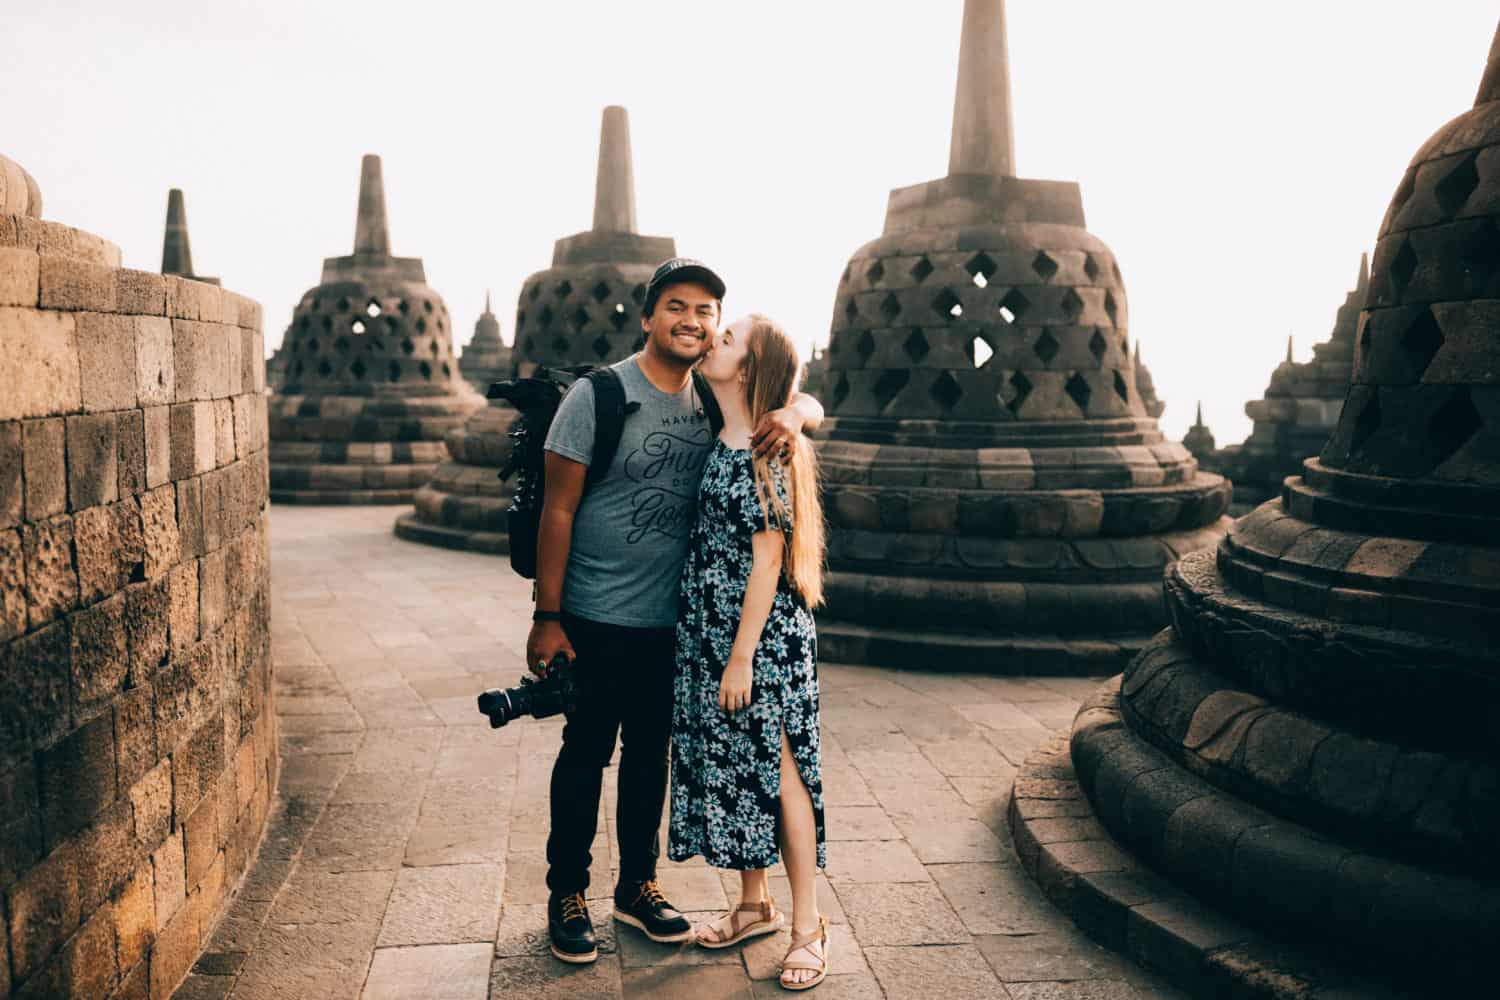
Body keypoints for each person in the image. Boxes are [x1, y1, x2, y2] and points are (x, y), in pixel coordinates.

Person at [527, 259, 825, 965]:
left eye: (706, 312)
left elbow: (786, 394)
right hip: (596, 612)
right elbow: (558, 507)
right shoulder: (600, 395)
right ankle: (567, 892)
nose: (693, 322)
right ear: (648, 316)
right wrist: (548, 613)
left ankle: (638, 886)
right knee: (586, 751)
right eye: (676, 307)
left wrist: (796, 410)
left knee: (650, 758)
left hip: (676, 625)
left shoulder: (715, 405)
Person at [669, 314, 829, 991]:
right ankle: (753, 903)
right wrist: (801, 408)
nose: (714, 340)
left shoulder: (769, 444)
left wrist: (739, 657)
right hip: (714, 628)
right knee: (736, 764)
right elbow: (811, 400)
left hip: (759, 637)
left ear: (750, 368)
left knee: (781, 771)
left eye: (729, 338)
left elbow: (767, 563)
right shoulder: (726, 426)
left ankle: (809, 927)